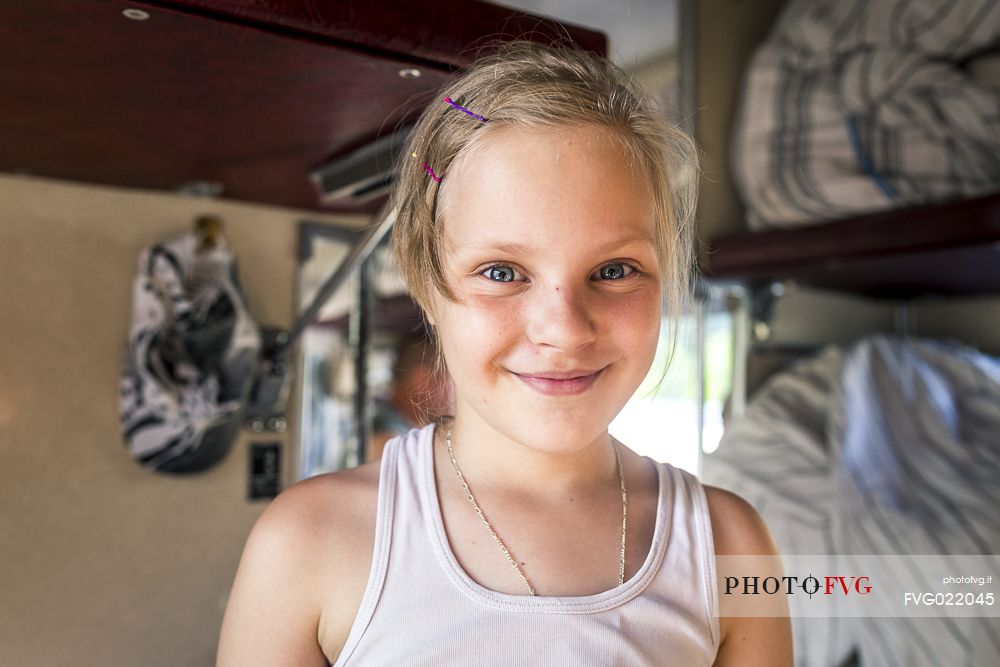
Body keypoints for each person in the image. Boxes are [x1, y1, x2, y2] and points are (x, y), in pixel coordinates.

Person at [217, 40, 792, 666]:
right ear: (427, 284)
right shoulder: (309, 543)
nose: (565, 329)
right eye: (500, 271)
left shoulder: (731, 546)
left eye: (615, 268)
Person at [366, 331, 451, 462]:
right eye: (450, 379)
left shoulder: (399, 433)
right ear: (422, 381)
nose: (455, 394)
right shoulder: (383, 445)